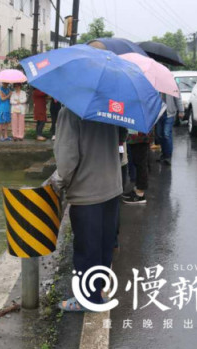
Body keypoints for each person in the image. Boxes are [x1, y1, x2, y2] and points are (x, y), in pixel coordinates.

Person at [54, 107, 122, 312]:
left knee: (87, 250)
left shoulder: (69, 112)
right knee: (104, 244)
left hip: (87, 190)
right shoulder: (109, 109)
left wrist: (57, 182)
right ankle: (98, 289)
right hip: (112, 186)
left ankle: (88, 300)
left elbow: (67, 159)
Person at [123, 129, 152, 204]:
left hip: (140, 137)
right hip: (136, 137)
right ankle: (138, 189)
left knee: (141, 164)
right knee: (138, 163)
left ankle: (140, 194)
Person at [155, 93, 184, 165]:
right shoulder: (156, 84)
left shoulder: (172, 83)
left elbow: (177, 97)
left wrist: (181, 110)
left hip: (169, 113)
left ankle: (168, 156)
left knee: (166, 134)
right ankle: (163, 153)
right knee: (159, 134)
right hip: (159, 113)